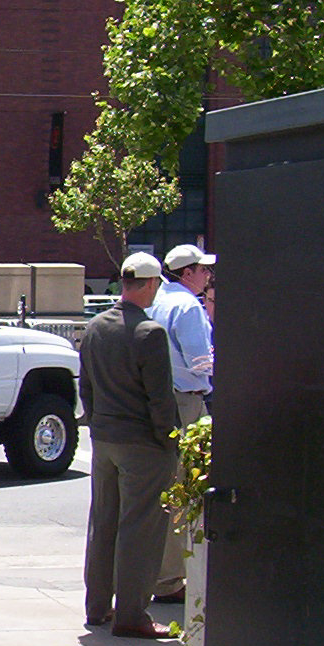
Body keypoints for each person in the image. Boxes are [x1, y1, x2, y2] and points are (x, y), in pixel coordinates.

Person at [79, 252, 181, 639]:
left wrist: (97, 423)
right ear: (152, 284)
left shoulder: (95, 327)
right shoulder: (149, 332)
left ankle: (97, 606)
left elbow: (85, 386)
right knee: (140, 530)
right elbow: (160, 399)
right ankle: (132, 614)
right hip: (142, 443)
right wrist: (168, 441)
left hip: (105, 438)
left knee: (103, 523)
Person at [148, 243, 215, 602]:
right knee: (183, 492)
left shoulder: (158, 301)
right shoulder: (187, 306)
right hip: (186, 403)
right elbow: (201, 363)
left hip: (159, 402)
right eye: (203, 270)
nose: (208, 276)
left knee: (163, 489)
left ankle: (160, 573)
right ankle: (171, 579)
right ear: (186, 273)